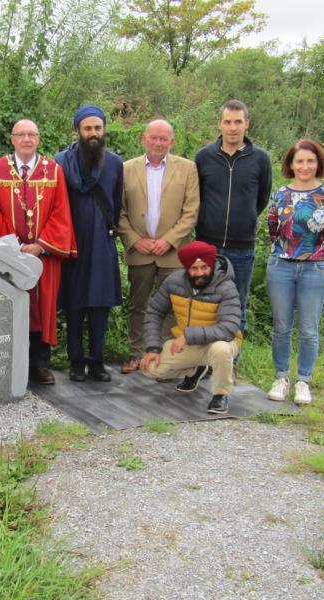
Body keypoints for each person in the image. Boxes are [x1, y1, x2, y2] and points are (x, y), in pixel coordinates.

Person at [0, 119, 77, 385]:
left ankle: (39, 363)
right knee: (9, 305)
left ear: (38, 138)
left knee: (43, 306)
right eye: (21, 135)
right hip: (9, 256)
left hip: (43, 256)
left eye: (31, 134)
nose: (26, 139)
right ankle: (11, 363)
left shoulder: (54, 171)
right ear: (12, 139)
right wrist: (12, 247)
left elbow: (61, 211)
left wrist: (41, 245)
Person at [118, 118, 199, 375]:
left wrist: (168, 240)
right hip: (140, 250)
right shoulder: (125, 169)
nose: (158, 143)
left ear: (171, 142)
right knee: (138, 304)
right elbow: (119, 212)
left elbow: (191, 212)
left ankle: (165, 357)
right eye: (153, 137)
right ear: (143, 139)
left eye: (163, 139)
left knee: (173, 305)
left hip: (173, 252)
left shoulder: (187, 168)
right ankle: (136, 353)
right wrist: (135, 240)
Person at [266, 139, 324, 405]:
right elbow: (273, 230)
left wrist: (318, 259)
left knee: (309, 329)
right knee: (281, 327)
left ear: (318, 163)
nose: (305, 166)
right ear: (291, 164)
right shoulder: (280, 195)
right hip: (281, 267)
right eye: (299, 161)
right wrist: (286, 253)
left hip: (315, 267)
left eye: (310, 161)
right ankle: (281, 378)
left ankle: (303, 381)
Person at [56, 104, 123, 382]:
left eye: (97, 128)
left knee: (99, 304)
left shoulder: (115, 163)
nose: (93, 133)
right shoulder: (61, 162)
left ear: (104, 129)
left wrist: (108, 229)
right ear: (78, 130)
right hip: (72, 242)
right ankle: (75, 361)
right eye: (88, 128)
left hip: (101, 242)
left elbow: (117, 202)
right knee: (74, 303)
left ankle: (97, 362)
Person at [195, 99, 272, 340]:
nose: (232, 128)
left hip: (242, 247)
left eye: (238, 122)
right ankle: (205, 357)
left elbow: (262, 198)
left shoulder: (261, 159)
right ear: (219, 124)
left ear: (247, 124)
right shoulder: (204, 157)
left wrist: (244, 219)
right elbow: (196, 196)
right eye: (227, 122)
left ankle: (231, 357)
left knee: (236, 304)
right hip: (207, 244)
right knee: (204, 303)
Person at [139, 241, 242, 414]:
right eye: (194, 268)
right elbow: (154, 312)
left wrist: (188, 336)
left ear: (211, 265)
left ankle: (220, 394)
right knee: (150, 369)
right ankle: (196, 368)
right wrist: (153, 348)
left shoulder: (226, 287)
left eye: (204, 267)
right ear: (186, 268)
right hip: (187, 343)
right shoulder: (173, 282)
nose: (200, 273)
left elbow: (228, 328)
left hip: (219, 342)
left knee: (221, 350)